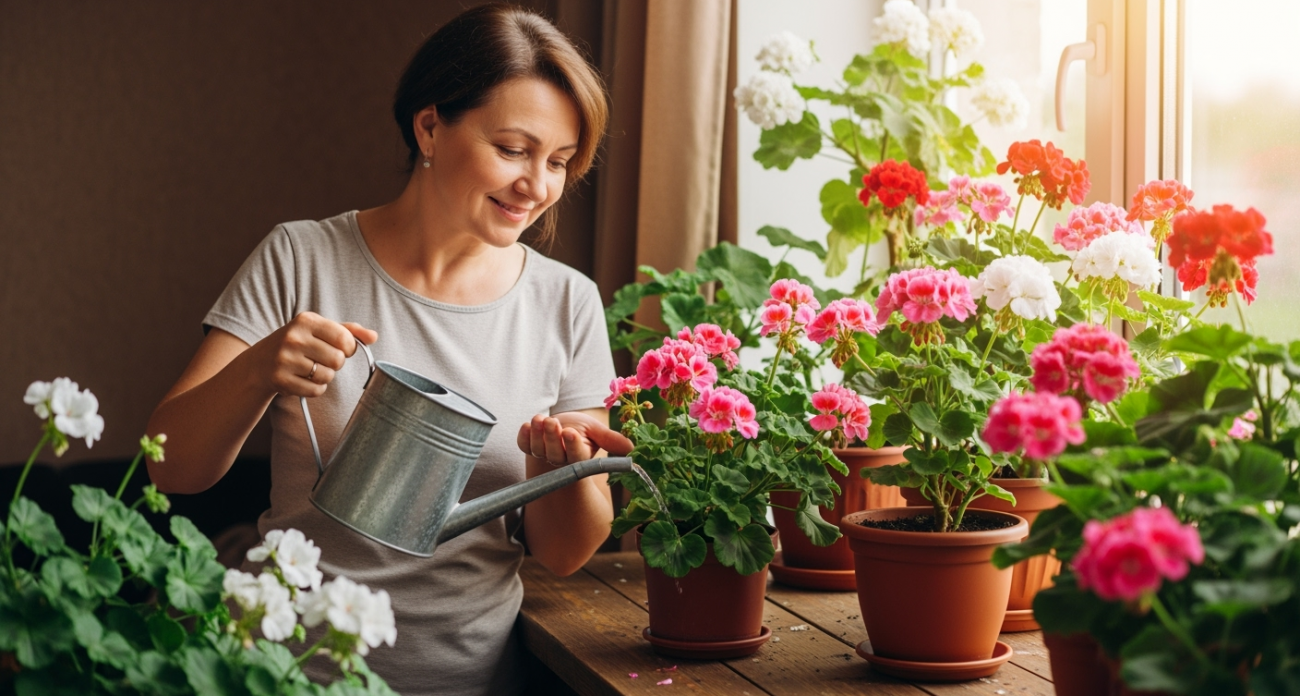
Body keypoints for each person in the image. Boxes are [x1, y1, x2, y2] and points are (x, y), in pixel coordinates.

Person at [145, 5, 630, 694]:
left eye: (558, 162)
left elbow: (563, 553)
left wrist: (563, 470)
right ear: (429, 125)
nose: (538, 187)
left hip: (472, 679)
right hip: (284, 674)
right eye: (515, 149)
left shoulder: (568, 302)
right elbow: (170, 468)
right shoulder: (300, 257)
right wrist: (259, 369)